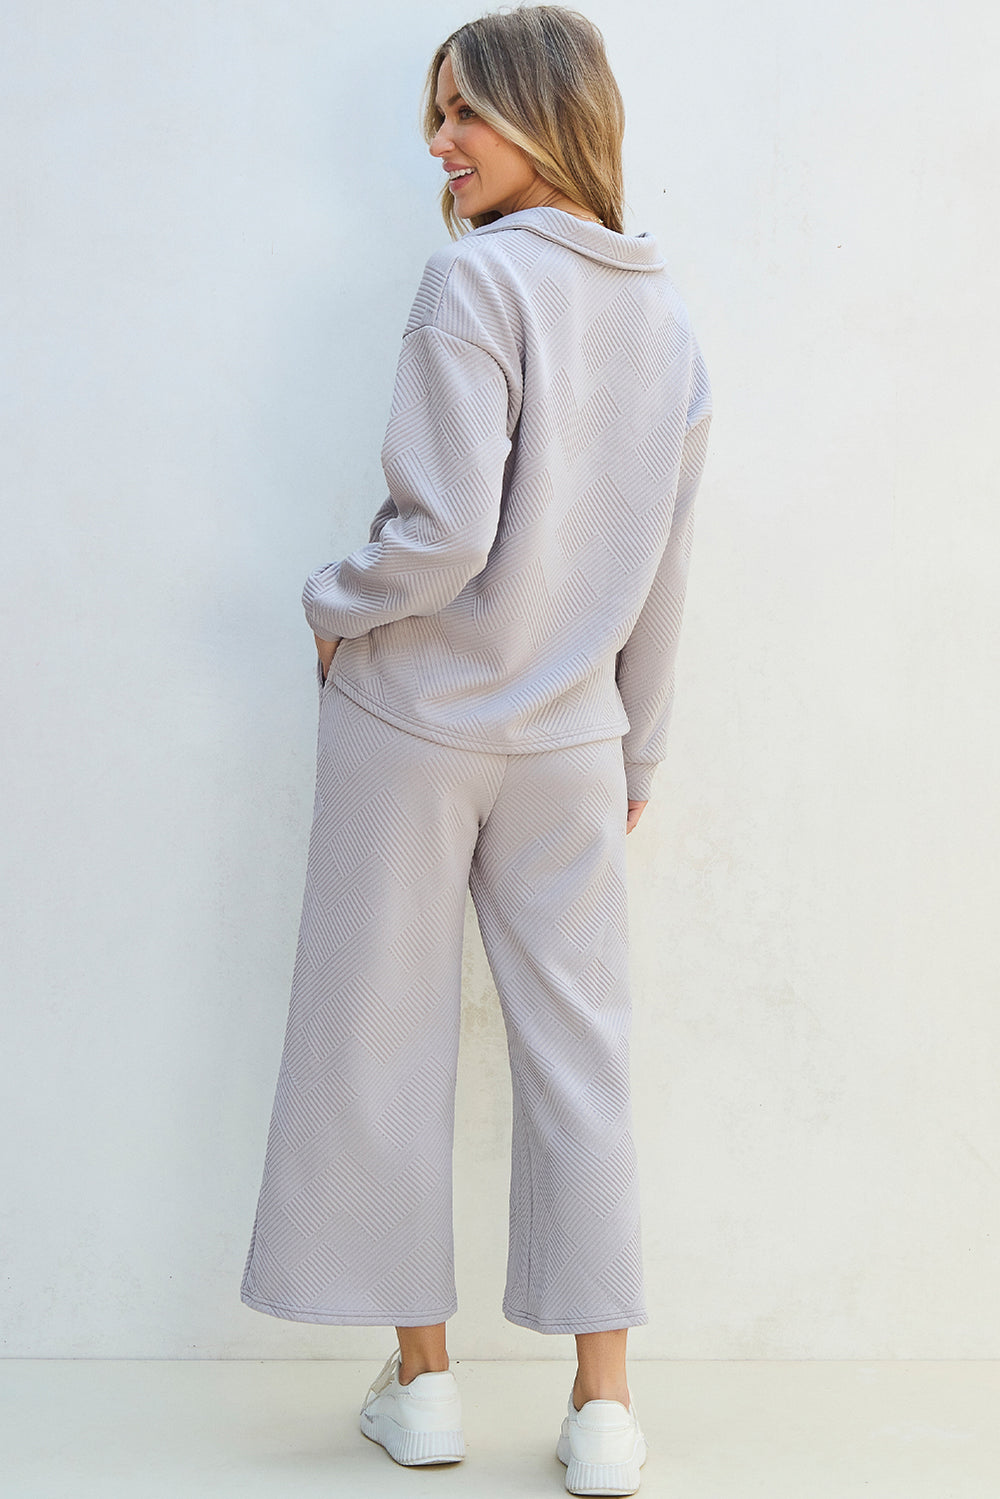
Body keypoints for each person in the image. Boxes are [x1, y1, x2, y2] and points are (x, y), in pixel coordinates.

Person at [239, 5, 711, 1493]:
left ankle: (428, 1388)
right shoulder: (667, 319)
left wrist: (331, 603)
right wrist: (637, 758)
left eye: (465, 113)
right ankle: (604, 1411)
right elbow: (664, 571)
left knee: (384, 1038)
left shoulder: (473, 281)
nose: (440, 144)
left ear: (544, 115)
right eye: (436, 115)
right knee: (584, 1056)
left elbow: (439, 536)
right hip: (574, 738)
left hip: (417, 722)